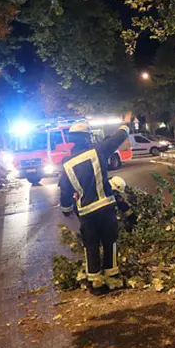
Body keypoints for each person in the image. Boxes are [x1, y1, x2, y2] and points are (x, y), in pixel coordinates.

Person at [59, 121, 130, 295]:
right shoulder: (98, 151)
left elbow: (65, 190)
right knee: (109, 243)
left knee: (90, 246)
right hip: (105, 207)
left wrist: (66, 209)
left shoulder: (67, 164)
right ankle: (112, 277)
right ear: (87, 137)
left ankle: (96, 284)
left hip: (86, 213)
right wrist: (126, 125)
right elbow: (118, 138)